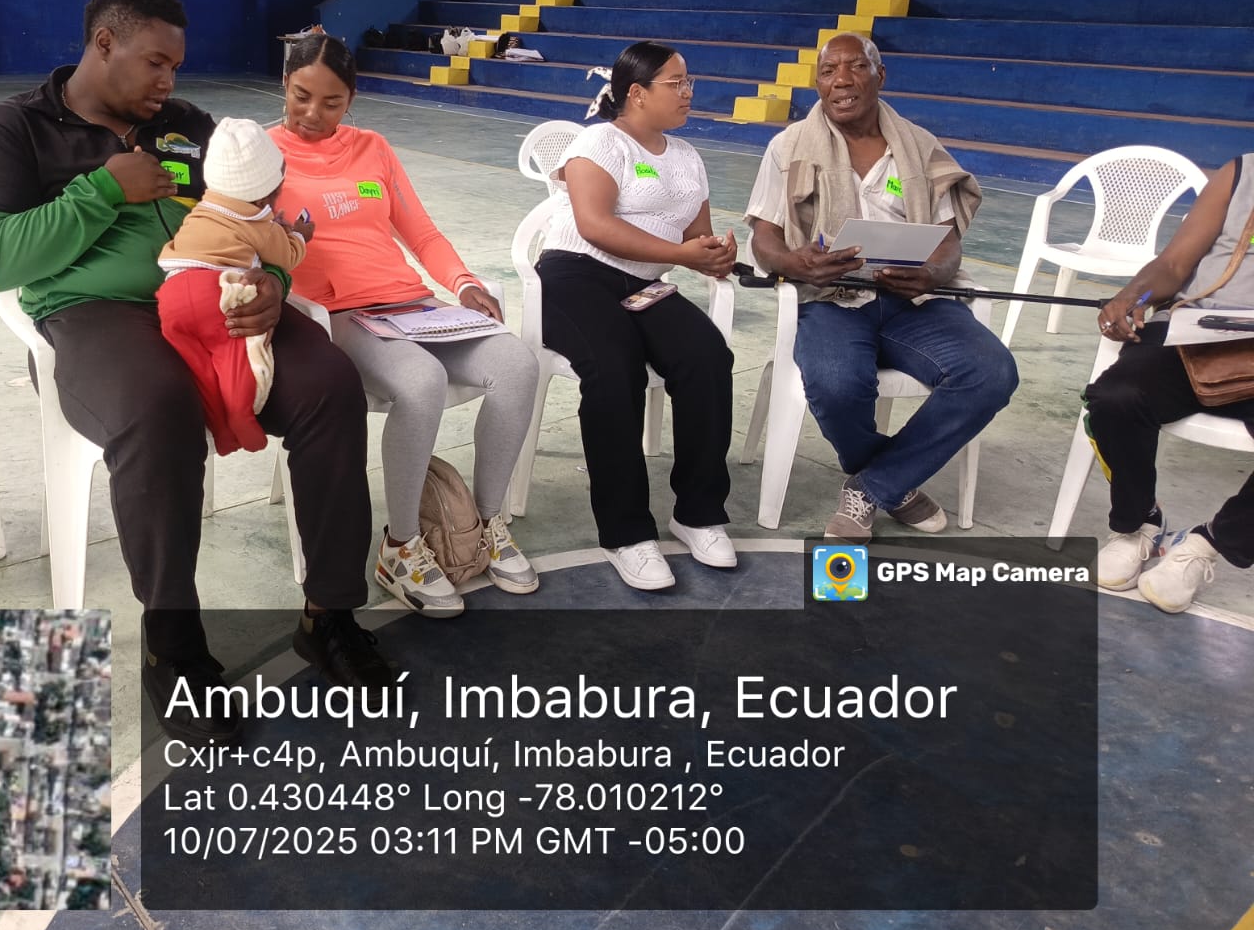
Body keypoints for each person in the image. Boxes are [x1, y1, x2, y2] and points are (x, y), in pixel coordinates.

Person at [0, 0, 394, 748]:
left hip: (219, 300)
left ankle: (328, 614)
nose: (168, 82)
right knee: (158, 409)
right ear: (104, 44)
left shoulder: (191, 127)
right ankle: (176, 649)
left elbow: (262, 217)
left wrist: (273, 280)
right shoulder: (12, 129)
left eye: (175, 67)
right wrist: (100, 191)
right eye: (154, 63)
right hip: (96, 316)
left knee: (330, 382)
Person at [269, 35, 541, 617]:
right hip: (339, 314)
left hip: (412, 304)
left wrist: (464, 284)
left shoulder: (374, 149)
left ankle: (483, 525)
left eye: (331, 102)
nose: (313, 113)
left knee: (517, 363)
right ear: (284, 85)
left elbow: (420, 232)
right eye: (301, 96)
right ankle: (401, 547)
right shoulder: (265, 155)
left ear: (351, 100)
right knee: (421, 381)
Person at [745, 32, 1018, 540]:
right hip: (830, 298)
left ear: (880, 75)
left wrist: (933, 273)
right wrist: (797, 264)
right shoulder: (789, 147)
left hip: (911, 300)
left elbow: (947, 242)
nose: (841, 81)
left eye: (855, 67)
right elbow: (764, 238)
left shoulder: (918, 147)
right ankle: (895, 482)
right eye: (828, 71)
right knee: (836, 383)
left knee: (991, 372)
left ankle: (872, 487)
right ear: (817, 83)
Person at [534, 40, 738, 591]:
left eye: (689, 81)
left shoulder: (688, 157)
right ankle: (626, 533)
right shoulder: (599, 142)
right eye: (676, 83)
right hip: (575, 275)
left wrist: (716, 254)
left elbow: (697, 235)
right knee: (613, 367)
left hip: (644, 283)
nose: (688, 92)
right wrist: (681, 255)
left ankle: (698, 513)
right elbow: (595, 225)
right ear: (637, 93)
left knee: (707, 356)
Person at [1086, 153, 1254, 612]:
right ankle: (1138, 523)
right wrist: (1133, 296)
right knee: (1116, 397)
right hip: (1198, 333)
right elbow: (1175, 263)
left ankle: (1207, 544)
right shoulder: (1240, 173)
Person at [156, 117, 313, 457]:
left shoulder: (203, 209)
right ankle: (240, 416)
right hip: (213, 291)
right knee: (234, 354)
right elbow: (286, 257)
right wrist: (300, 235)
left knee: (199, 366)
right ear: (269, 192)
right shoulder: (257, 220)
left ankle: (221, 430)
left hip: (171, 294)